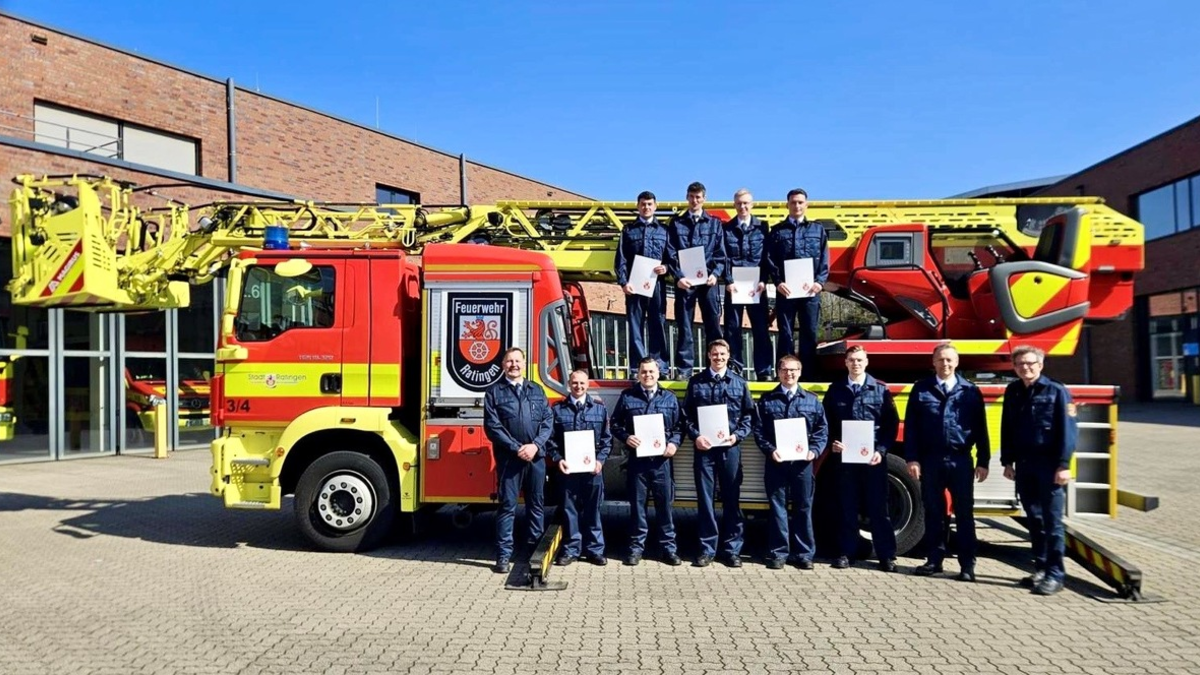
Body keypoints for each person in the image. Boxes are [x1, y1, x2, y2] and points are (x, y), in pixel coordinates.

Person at [904, 344, 990, 582]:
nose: (945, 364)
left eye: (949, 360)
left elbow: (981, 428)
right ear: (933, 362)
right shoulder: (921, 389)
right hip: (931, 460)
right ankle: (934, 560)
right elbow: (911, 427)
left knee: (964, 514)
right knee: (934, 513)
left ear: (957, 362)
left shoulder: (970, 391)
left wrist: (983, 460)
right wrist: (912, 458)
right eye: (941, 360)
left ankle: (967, 565)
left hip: (960, 459)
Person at [1001, 345, 1077, 596]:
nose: (1026, 367)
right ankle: (1042, 569)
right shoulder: (1013, 391)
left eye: (1031, 363)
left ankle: (1056, 574)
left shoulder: (1056, 391)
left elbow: (1068, 431)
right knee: (1034, 520)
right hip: (1024, 465)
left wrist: (1064, 465)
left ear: (1041, 365)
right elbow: (1007, 428)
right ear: (1014, 367)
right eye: (1020, 364)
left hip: (1049, 466)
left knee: (1053, 523)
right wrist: (1007, 461)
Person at [822, 346, 900, 572]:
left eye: (859, 360)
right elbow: (826, 423)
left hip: (873, 461)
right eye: (851, 360)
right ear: (845, 363)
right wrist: (833, 443)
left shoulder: (880, 390)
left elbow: (890, 425)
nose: (855, 364)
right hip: (845, 461)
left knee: (879, 509)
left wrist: (882, 450)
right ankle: (846, 553)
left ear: (866, 362)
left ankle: (886, 556)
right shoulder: (836, 390)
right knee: (847, 507)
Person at [753, 354, 829, 569]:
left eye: (793, 370)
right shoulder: (767, 400)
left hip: (802, 465)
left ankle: (804, 554)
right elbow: (759, 431)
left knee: (803, 508)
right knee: (777, 508)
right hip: (776, 462)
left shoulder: (812, 400)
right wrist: (770, 450)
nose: (789, 374)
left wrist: (814, 451)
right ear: (778, 372)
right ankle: (779, 553)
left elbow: (821, 431)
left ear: (800, 372)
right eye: (785, 370)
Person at [683, 339, 754, 568]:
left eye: (723, 354)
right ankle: (707, 549)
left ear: (728, 355)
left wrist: (738, 436)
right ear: (708, 356)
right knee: (706, 502)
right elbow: (686, 417)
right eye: (715, 354)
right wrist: (696, 436)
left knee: (732, 501)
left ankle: (732, 550)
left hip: (730, 449)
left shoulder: (739, 383)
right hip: (705, 450)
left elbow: (749, 416)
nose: (719, 357)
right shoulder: (696, 383)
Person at [482, 347, 553, 574]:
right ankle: (503, 557)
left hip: (536, 458)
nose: (514, 365)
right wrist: (517, 448)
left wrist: (535, 446)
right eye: (509, 361)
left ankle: (534, 553)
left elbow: (547, 421)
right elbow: (493, 427)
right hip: (509, 460)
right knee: (507, 507)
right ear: (503, 365)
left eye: (518, 361)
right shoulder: (494, 392)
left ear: (525, 364)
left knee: (536, 505)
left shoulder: (536, 390)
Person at [611, 357, 683, 566]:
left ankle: (668, 549)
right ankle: (636, 548)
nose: (647, 375)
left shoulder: (669, 398)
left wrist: (674, 444)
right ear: (638, 374)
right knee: (637, 507)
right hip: (637, 462)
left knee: (665, 508)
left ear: (658, 373)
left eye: (651, 372)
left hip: (662, 462)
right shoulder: (627, 396)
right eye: (644, 372)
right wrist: (626, 437)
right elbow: (615, 424)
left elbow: (679, 427)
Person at [546, 370, 612, 567]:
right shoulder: (557, 410)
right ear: (569, 384)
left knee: (593, 511)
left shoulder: (599, 410)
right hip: (568, 472)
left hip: (593, 471)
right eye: (575, 383)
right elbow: (550, 440)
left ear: (587, 384)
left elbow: (607, 441)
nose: (578, 387)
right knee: (569, 511)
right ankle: (571, 550)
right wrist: (558, 459)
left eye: (582, 383)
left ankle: (595, 550)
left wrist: (600, 461)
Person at [764, 188, 829, 379]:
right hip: (786, 292)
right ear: (787, 205)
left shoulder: (818, 230)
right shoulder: (777, 231)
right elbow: (770, 259)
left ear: (806, 205)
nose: (797, 205)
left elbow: (825, 258)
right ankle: (783, 374)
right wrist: (777, 282)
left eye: (800, 202)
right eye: (793, 202)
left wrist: (820, 282)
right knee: (785, 334)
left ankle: (808, 375)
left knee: (809, 334)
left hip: (810, 293)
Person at [667, 181, 726, 378]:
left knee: (713, 325)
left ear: (704, 199)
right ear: (687, 197)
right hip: (686, 284)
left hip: (708, 282)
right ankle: (685, 369)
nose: (695, 200)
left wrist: (715, 274)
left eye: (698, 197)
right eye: (691, 197)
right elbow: (671, 253)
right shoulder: (676, 224)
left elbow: (721, 253)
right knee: (684, 326)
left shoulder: (715, 224)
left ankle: (718, 367)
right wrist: (678, 277)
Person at [614, 190, 671, 375]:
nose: (646, 207)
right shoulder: (628, 230)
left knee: (658, 324)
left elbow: (672, 257)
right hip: (634, 286)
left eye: (649, 204)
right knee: (635, 326)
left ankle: (659, 367)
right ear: (638, 206)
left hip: (657, 285)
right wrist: (623, 283)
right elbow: (620, 259)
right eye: (643, 204)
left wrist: (667, 267)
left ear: (655, 206)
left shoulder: (664, 231)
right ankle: (637, 368)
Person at [721, 188, 773, 380]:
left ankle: (764, 371)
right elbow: (723, 257)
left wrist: (764, 280)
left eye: (746, 203)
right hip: (733, 287)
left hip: (756, 287)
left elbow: (768, 257)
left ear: (752, 204)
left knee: (760, 329)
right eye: (739, 203)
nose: (742, 206)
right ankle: (735, 369)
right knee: (732, 329)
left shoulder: (763, 228)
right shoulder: (726, 229)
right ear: (734, 205)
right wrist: (727, 280)